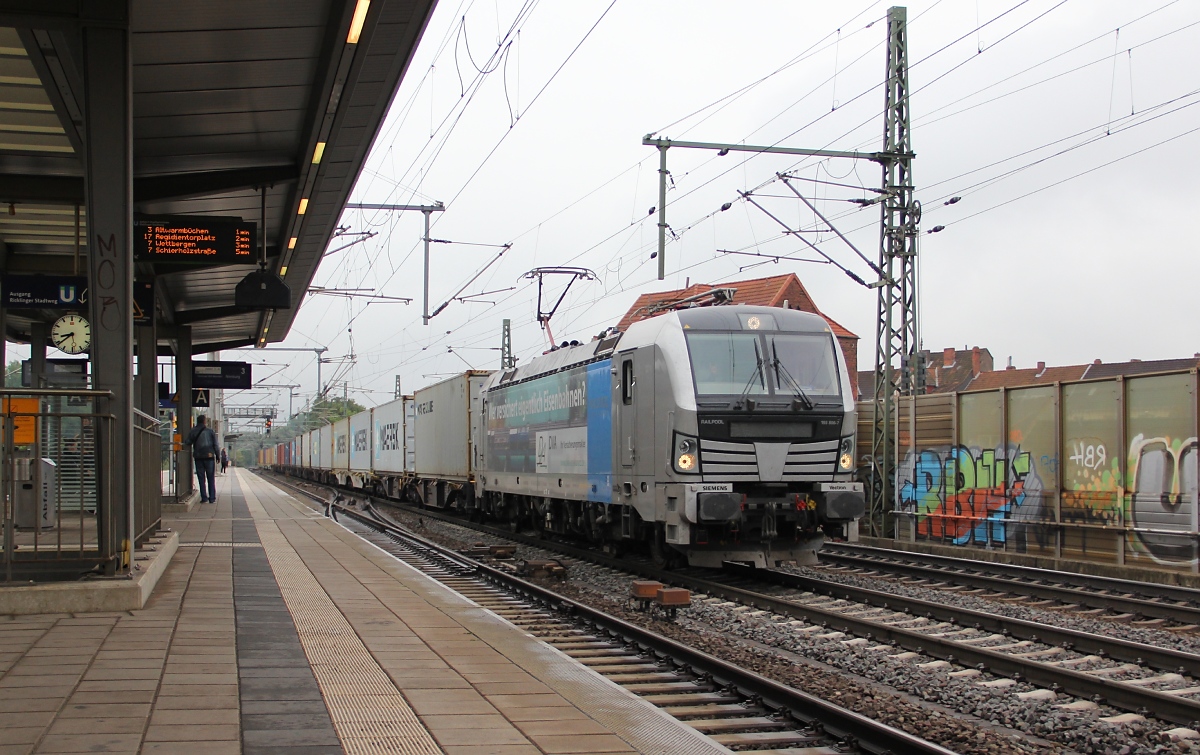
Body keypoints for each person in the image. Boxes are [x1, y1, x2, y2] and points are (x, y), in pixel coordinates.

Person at [185, 415, 219, 503]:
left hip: (198, 457)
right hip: (209, 457)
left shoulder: (193, 431)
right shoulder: (210, 431)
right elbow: (215, 445)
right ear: (204, 422)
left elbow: (188, 442)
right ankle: (212, 498)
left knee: (201, 478)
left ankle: (204, 497)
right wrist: (218, 455)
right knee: (211, 478)